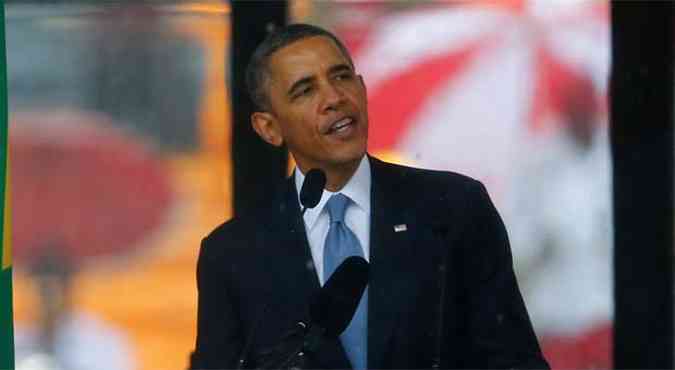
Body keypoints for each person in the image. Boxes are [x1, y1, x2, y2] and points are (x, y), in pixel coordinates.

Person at [191, 23, 548, 369]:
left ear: (362, 88)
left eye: (342, 76)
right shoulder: (232, 254)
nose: (334, 98)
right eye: (305, 90)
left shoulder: (454, 208)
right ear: (269, 128)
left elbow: (513, 359)